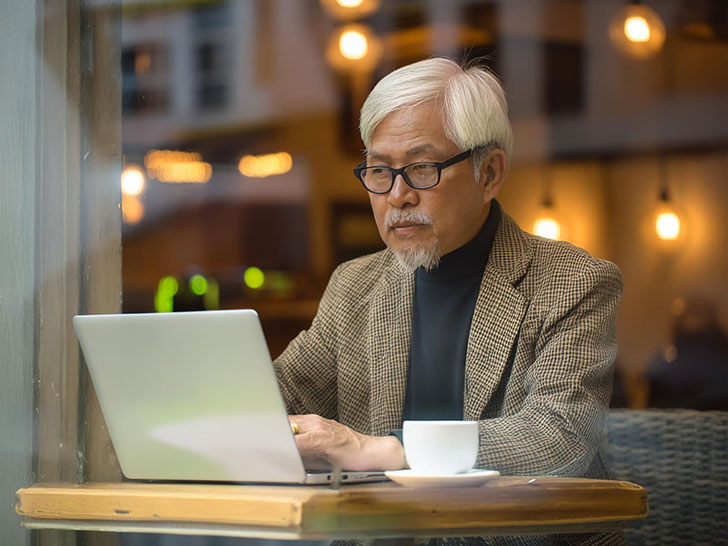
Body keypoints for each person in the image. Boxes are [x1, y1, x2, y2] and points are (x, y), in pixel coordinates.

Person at [273, 57, 623, 544]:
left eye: (421, 168)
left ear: (490, 173)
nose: (397, 195)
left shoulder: (572, 282)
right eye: (379, 170)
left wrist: (386, 450)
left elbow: (559, 437)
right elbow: (280, 396)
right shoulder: (354, 286)